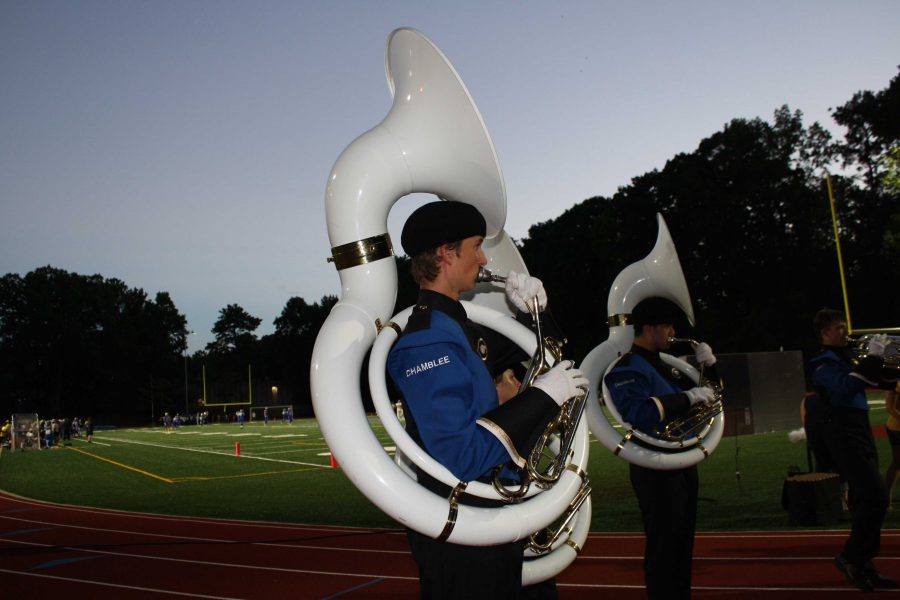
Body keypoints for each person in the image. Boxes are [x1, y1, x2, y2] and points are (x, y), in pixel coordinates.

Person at [386, 200, 587, 599]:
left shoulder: (462, 327)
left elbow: (554, 359)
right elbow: (461, 455)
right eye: (476, 246)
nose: (483, 257)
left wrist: (536, 313)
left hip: (494, 517)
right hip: (463, 534)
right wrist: (541, 397)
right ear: (446, 253)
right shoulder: (425, 339)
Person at [603, 296, 719, 600]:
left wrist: (710, 368)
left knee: (682, 548)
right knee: (665, 550)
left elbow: (707, 399)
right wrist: (688, 398)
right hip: (654, 466)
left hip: (681, 462)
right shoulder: (626, 369)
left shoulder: (668, 367)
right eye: (667, 325)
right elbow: (639, 413)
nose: (671, 331)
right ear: (649, 327)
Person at [806, 308, 896, 592]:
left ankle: (864, 562)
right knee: (877, 496)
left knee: (863, 500)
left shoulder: (846, 357)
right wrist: (873, 357)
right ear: (825, 333)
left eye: (845, 327)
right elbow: (846, 386)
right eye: (840, 328)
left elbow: (881, 380)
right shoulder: (821, 361)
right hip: (842, 430)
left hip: (860, 426)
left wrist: (881, 358)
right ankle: (851, 556)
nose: (846, 333)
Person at [884, 382, 900, 509]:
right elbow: (890, 407)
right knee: (897, 463)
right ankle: (885, 496)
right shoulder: (894, 381)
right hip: (897, 427)